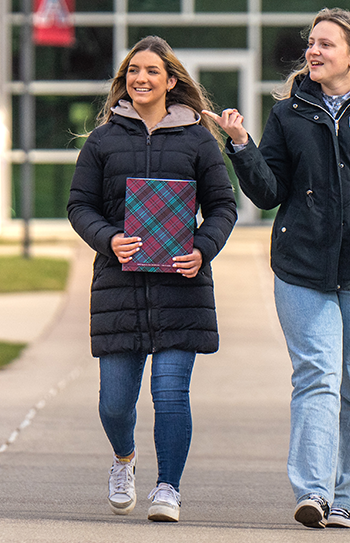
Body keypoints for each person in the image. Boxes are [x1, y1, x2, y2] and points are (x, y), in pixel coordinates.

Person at [208, 8, 350, 530]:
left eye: (326, 44)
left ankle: (347, 496)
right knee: (315, 377)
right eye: (311, 42)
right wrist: (241, 146)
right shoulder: (289, 112)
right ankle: (313, 492)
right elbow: (269, 192)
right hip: (301, 265)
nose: (314, 50)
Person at [67, 36, 237, 524]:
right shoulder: (103, 140)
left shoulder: (199, 139)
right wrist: (109, 239)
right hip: (118, 286)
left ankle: (168, 488)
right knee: (115, 403)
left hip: (180, 287)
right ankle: (124, 460)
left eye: (152, 71)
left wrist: (202, 250)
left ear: (171, 81)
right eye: (133, 71)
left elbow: (224, 206)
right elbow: (79, 206)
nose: (141, 78)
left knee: (169, 393)